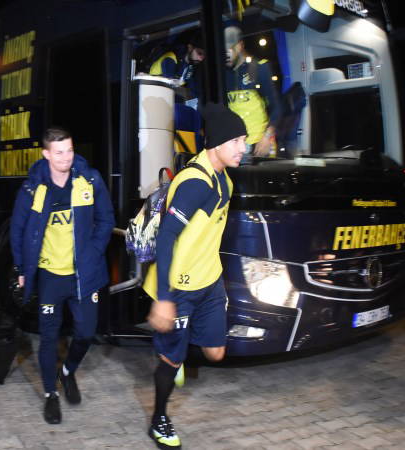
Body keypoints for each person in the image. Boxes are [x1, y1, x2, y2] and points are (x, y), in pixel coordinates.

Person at [143, 103, 246, 449]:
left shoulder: (224, 180)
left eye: (244, 140)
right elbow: (166, 238)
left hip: (209, 281)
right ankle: (159, 420)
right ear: (217, 143)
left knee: (216, 352)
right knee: (171, 361)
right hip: (179, 287)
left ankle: (181, 353)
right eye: (237, 141)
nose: (243, 148)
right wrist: (164, 299)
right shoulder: (194, 183)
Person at [10, 126, 115, 424]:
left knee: (86, 333)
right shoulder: (33, 188)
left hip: (84, 274)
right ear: (46, 154)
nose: (66, 158)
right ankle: (50, 395)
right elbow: (18, 229)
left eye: (69, 150)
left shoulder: (89, 180)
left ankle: (67, 372)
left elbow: (106, 219)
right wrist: (21, 268)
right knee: (48, 337)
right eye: (59, 153)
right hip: (50, 277)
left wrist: (94, 251)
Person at [224, 23, 281, 157]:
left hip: (260, 145)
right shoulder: (223, 75)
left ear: (239, 46)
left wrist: (267, 137)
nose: (226, 55)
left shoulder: (259, 68)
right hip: (234, 147)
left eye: (229, 50)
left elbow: (277, 107)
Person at [149, 32, 205, 104]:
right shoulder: (170, 59)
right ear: (190, 47)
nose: (201, 59)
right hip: (153, 91)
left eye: (204, 56)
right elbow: (169, 85)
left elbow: (194, 89)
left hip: (165, 96)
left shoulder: (190, 66)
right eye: (199, 53)